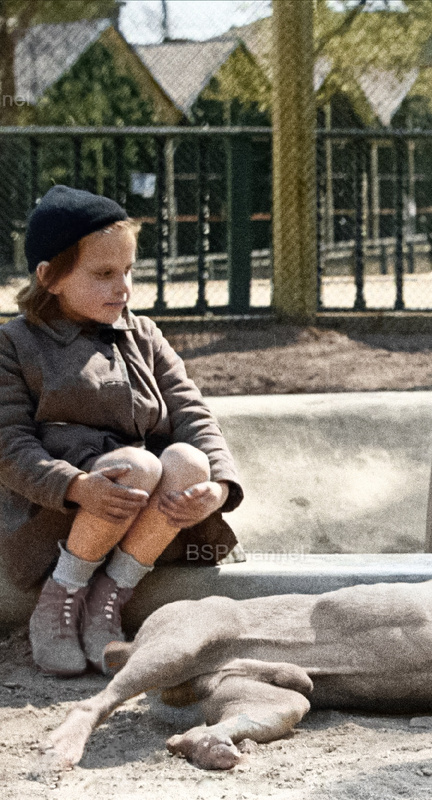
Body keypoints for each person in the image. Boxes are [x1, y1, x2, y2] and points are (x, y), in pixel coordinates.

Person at [0, 185, 243, 677]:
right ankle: (60, 598)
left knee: (187, 461)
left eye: (129, 271)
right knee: (135, 464)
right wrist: (73, 486)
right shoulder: (15, 344)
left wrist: (216, 487)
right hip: (55, 515)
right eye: (104, 274)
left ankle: (108, 598)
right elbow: (8, 443)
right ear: (51, 277)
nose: (124, 288)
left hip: (140, 523)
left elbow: (193, 414)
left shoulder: (143, 334)